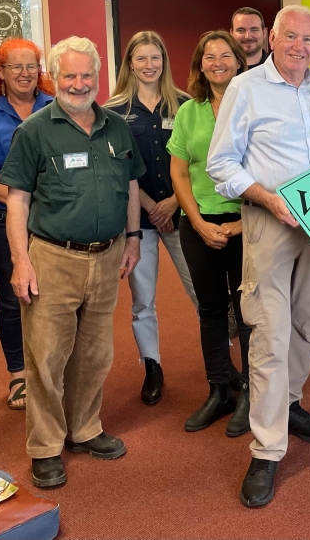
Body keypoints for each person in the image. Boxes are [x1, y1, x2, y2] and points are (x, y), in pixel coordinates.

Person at [207, 5, 310, 508]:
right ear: (272, 37)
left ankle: (289, 403)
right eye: (291, 37)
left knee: (308, 322)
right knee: (269, 329)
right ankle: (267, 448)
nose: (300, 47)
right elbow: (220, 164)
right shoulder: (247, 89)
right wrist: (266, 197)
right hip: (270, 221)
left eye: (308, 39)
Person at [0, 36, 145, 489]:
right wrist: (21, 262)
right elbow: (17, 201)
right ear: (55, 78)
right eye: (69, 76)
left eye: (86, 75)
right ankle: (45, 447)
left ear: (98, 78)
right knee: (46, 356)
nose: (79, 84)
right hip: (52, 258)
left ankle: (84, 429)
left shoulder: (117, 127)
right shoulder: (36, 130)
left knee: (95, 354)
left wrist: (134, 237)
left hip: (105, 257)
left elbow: (133, 185)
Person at [105, 31, 196, 406]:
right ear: (129, 63)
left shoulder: (187, 105)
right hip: (138, 221)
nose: (148, 65)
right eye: (140, 59)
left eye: (154, 58)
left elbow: (199, 163)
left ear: (164, 61)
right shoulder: (112, 111)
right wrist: (149, 205)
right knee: (142, 301)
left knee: (201, 292)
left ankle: (222, 363)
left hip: (183, 212)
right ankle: (153, 367)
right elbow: (117, 169)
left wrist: (174, 201)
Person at [168, 31, 252, 437]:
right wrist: (198, 223)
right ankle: (220, 389)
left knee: (250, 311)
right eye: (208, 56)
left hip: (247, 222)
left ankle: (252, 392)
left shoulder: (254, 107)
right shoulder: (189, 112)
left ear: (239, 61)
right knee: (211, 309)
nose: (217, 62)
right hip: (198, 223)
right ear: (200, 65)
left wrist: (241, 224)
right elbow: (179, 172)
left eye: (225, 55)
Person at [0, 38, 54, 411]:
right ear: (0, 72)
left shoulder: (55, 108)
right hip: (4, 217)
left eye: (30, 65)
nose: (23, 73)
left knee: (54, 295)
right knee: (12, 295)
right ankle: (18, 374)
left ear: (39, 71)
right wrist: (26, 197)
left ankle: (51, 369)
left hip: (52, 219)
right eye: (14, 67)